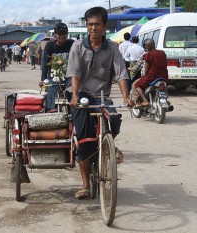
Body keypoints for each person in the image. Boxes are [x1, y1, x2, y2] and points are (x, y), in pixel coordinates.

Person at [66, 6, 133, 199]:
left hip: (102, 96)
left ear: (105, 26)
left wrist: (126, 97)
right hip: (82, 95)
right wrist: (75, 95)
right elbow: (75, 72)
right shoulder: (78, 46)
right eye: (90, 24)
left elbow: (121, 73)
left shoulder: (112, 48)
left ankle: (108, 144)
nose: (93, 28)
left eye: (97, 24)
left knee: (114, 119)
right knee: (85, 139)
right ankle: (86, 184)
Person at [41, 22, 74, 112]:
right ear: (55, 34)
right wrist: (43, 80)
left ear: (67, 34)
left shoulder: (72, 44)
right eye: (59, 34)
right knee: (51, 88)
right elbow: (45, 64)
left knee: (75, 89)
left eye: (64, 33)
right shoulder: (50, 46)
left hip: (69, 76)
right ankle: (51, 109)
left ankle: (73, 109)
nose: (62, 36)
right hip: (54, 76)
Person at [130, 39, 168, 107]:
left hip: (152, 77)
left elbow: (146, 70)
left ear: (146, 46)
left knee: (137, 85)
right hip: (163, 76)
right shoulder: (162, 53)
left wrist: (145, 74)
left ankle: (145, 101)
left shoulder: (148, 55)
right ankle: (166, 100)